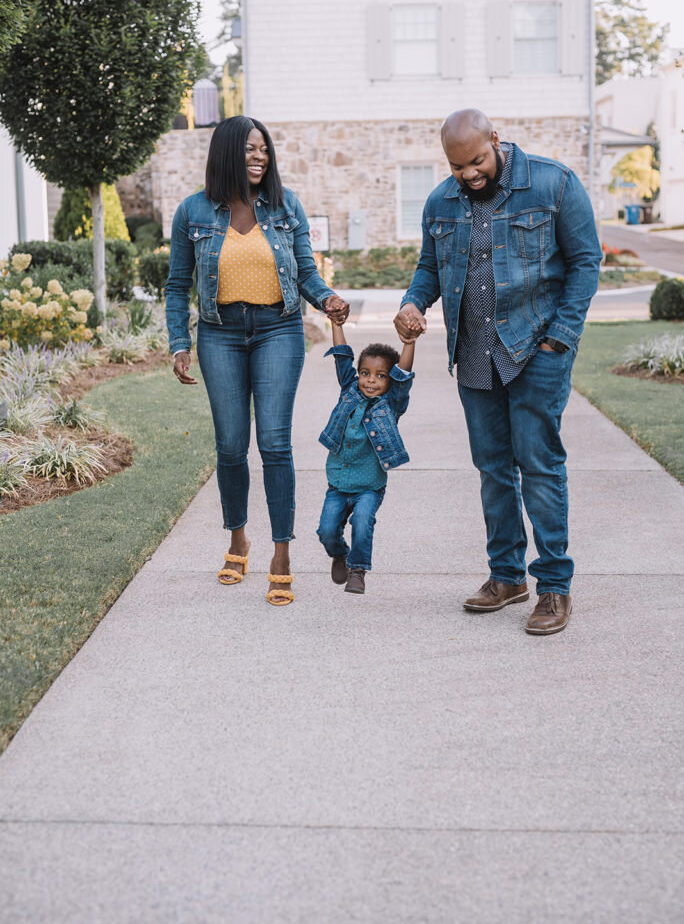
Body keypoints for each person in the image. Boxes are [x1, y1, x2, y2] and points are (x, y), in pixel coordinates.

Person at [395, 108, 602, 635]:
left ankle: (553, 587)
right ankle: (507, 577)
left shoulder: (553, 183)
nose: (469, 174)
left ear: (496, 139)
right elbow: (429, 267)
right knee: (492, 470)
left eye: (477, 161)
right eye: (458, 165)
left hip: (537, 349)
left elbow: (585, 262)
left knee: (538, 465)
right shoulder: (441, 200)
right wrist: (415, 301)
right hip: (475, 353)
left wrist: (560, 339)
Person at [166, 115, 349, 606]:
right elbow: (177, 285)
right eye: (249, 149)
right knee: (230, 447)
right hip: (220, 335)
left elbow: (308, 273)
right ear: (226, 152)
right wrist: (179, 342)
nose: (259, 157)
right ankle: (237, 539)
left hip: (278, 330)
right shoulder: (193, 212)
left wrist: (327, 299)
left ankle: (281, 553)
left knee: (274, 444)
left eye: (264, 149)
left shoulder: (286, 206)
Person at [316, 317, 417, 594]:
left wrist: (409, 342)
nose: (371, 380)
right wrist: (336, 324)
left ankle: (358, 571)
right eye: (365, 373)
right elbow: (341, 357)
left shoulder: (390, 404)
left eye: (380, 376)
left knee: (362, 522)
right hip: (338, 483)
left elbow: (403, 375)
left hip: (370, 487)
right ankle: (340, 554)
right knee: (326, 531)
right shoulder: (348, 390)